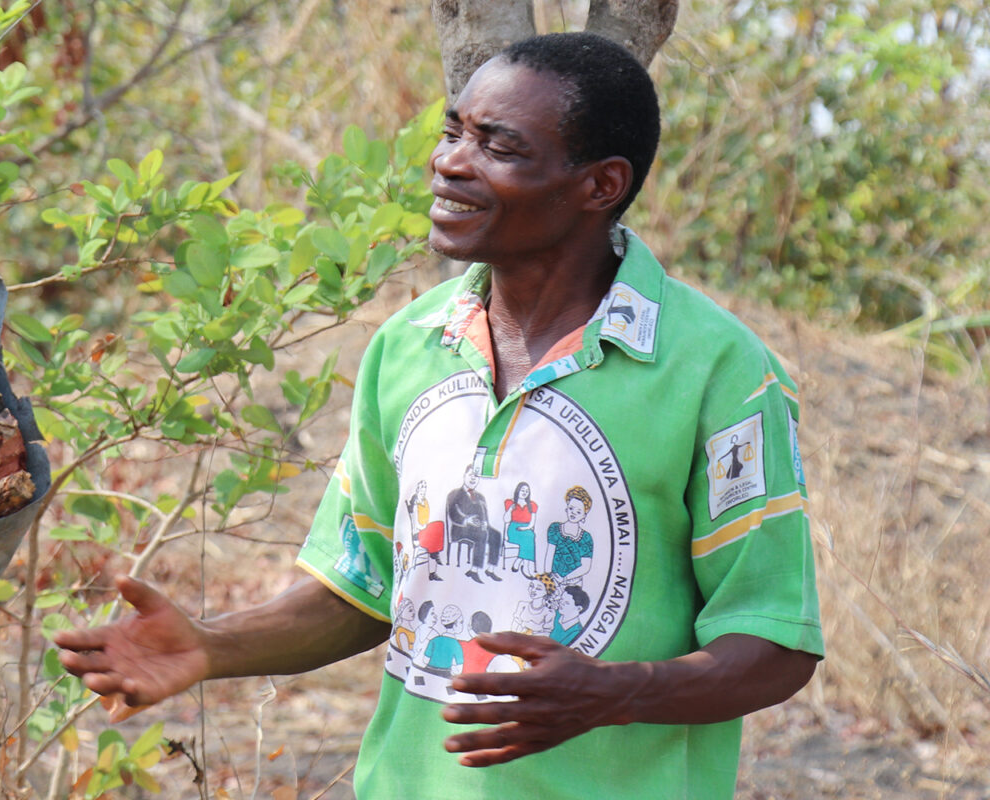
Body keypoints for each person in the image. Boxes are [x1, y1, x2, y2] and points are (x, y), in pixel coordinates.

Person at [54, 31, 822, 799]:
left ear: (600, 185)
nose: (450, 161)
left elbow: (775, 643)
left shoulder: (717, 369)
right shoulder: (410, 347)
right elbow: (362, 590)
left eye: (499, 146)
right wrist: (211, 646)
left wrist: (616, 690)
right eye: (454, 131)